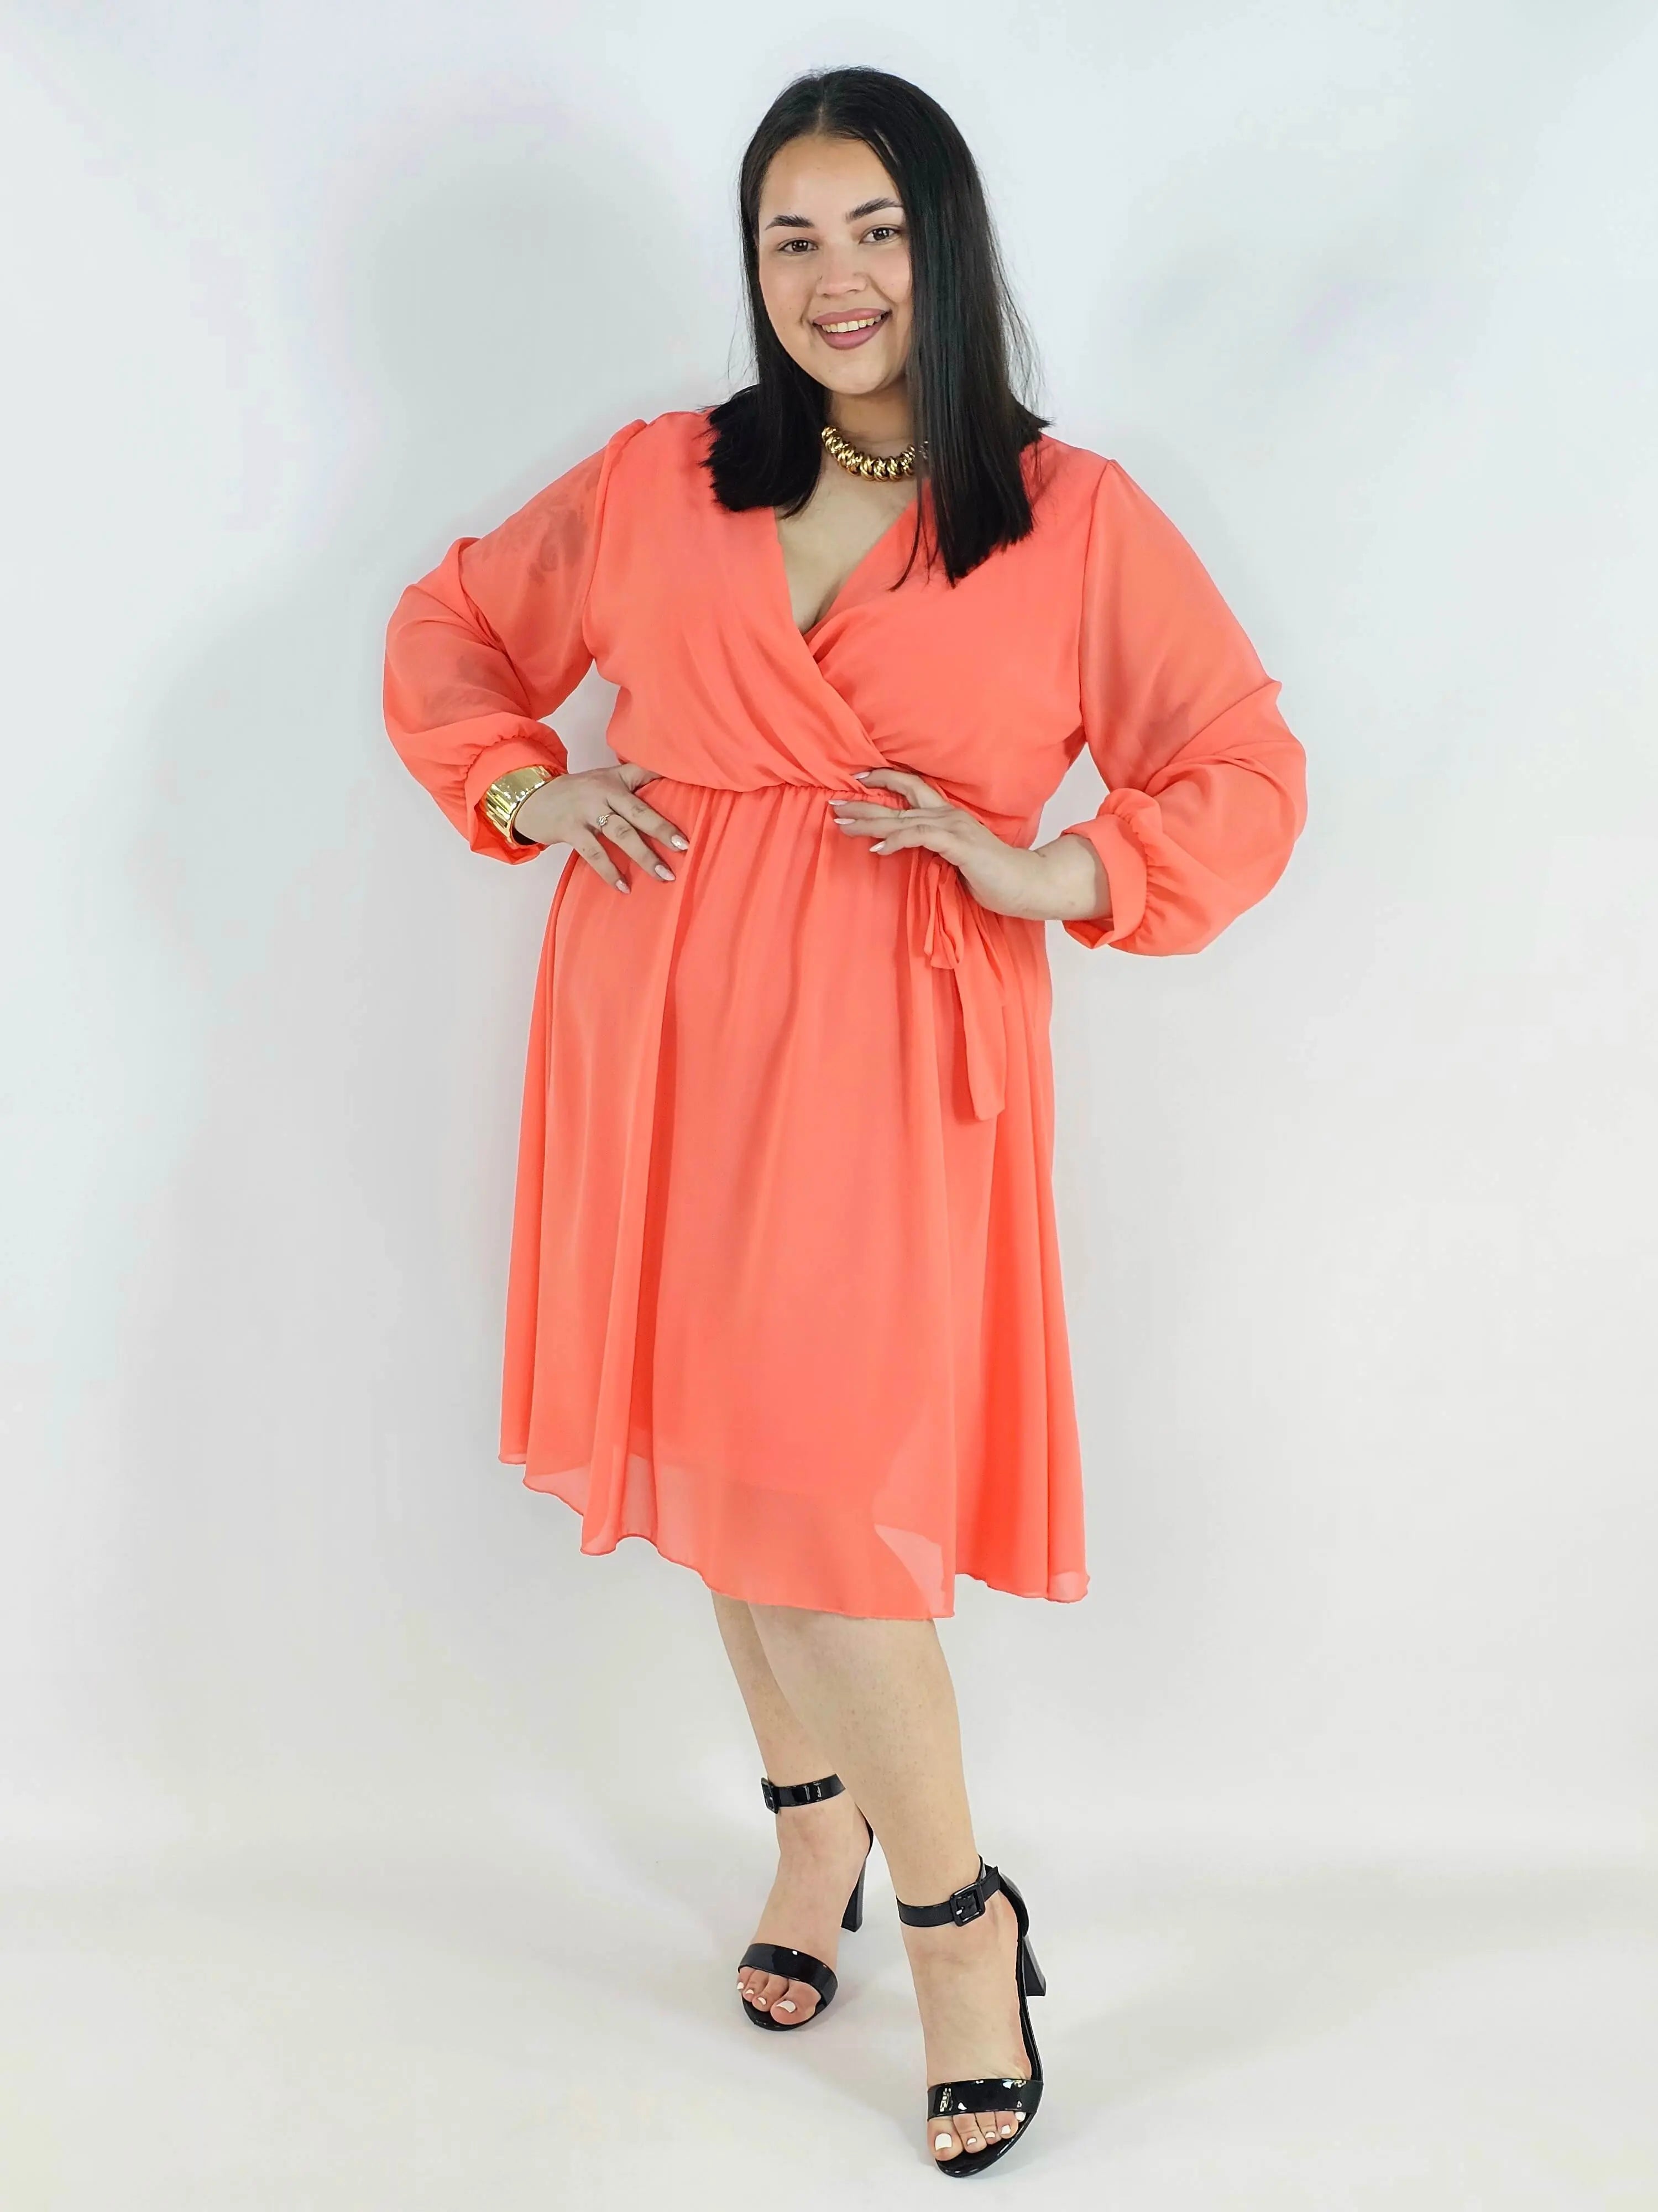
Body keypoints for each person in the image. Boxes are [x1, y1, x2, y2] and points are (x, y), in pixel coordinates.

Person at [382, 64, 1306, 2178]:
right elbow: (454, 630)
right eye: (792, 236)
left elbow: (1243, 769)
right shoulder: (659, 479)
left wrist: (1060, 868)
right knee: (730, 1464)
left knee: (819, 1498)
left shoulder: (1072, 519)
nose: (836, 277)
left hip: (892, 1044)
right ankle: (815, 1839)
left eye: (877, 229)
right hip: (658, 1021)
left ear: (945, 245)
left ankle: (962, 1920)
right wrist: (528, 784)